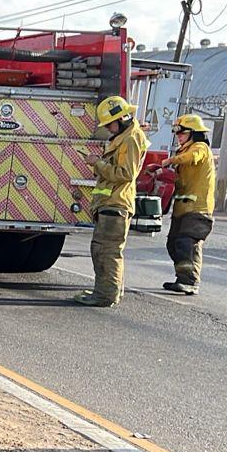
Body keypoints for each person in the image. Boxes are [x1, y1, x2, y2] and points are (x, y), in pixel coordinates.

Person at [75, 95, 148, 307]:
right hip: (110, 203)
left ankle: (105, 295)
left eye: (110, 124)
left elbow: (126, 174)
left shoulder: (131, 139)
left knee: (106, 251)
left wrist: (96, 163)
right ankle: (107, 290)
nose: (107, 128)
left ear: (122, 118)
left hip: (116, 204)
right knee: (103, 250)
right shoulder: (124, 137)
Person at [161, 114, 215, 295]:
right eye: (177, 133)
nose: (179, 136)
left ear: (194, 133)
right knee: (173, 244)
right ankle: (183, 277)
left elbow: (193, 157)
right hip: (182, 208)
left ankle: (190, 281)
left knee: (187, 242)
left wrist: (170, 161)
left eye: (183, 132)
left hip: (198, 208)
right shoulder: (182, 151)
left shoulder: (200, 148)